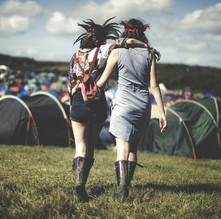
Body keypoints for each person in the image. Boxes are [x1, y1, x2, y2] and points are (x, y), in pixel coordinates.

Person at [68, 17, 151, 202]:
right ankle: (111, 185)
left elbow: (70, 84)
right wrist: (147, 47)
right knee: (91, 147)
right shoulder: (105, 50)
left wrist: (74, 101)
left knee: (80, 146)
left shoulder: (75, 57)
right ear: (101, 39)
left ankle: (80, 183)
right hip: (98, 101)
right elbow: (126, 42)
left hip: (79, 101)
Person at [96, 18, 167, 202]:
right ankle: (127, 185)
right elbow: (154, 86)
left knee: (122, 149)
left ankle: (121, 190)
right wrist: (161, 112)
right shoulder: (149, 53)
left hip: (123, 104)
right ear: (142, 34)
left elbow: (102, 82)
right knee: (133, 148)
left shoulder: (117, 52)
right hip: (142, 105)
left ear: (125, 32)